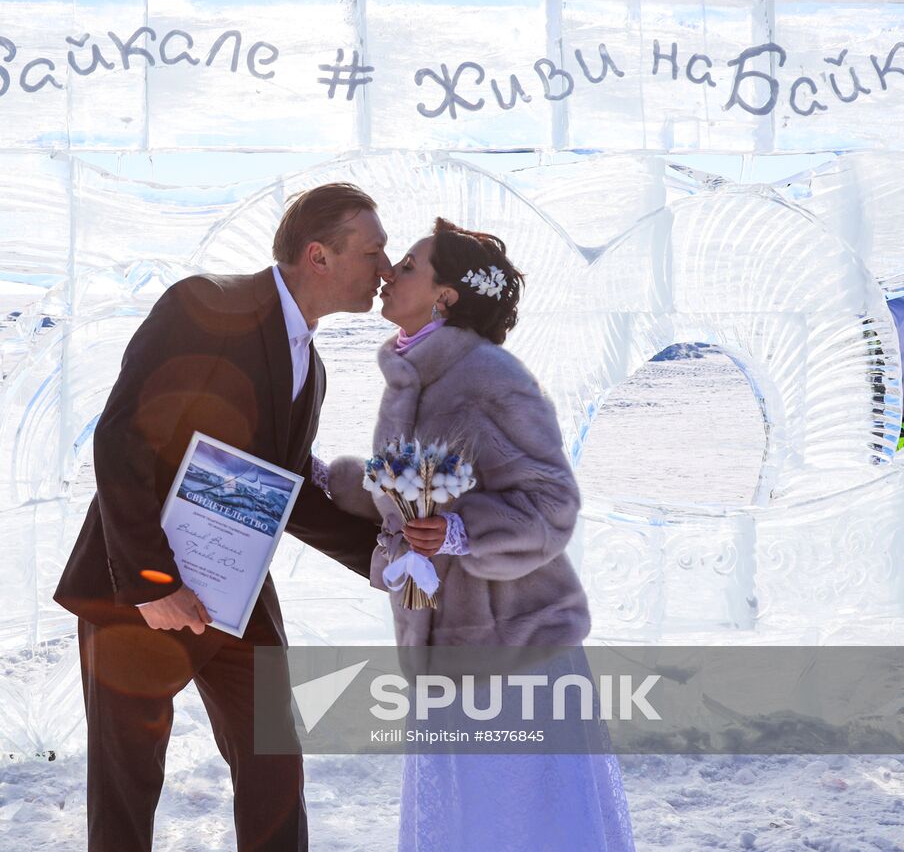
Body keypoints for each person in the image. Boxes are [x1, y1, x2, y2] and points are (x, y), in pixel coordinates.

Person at [55, 183, 392, 852]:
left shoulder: (313, 369)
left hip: (236, 594)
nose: (385, 268)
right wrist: (152, 582)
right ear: (318, 255)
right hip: (139, 590)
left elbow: (284, 491)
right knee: (127, 785)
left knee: (275, 757)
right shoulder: (205, 304)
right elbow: (121, 437)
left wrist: (386, 556)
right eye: (374, 250)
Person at [325, 218, 636, 851]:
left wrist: (464, 534)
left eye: (407, 266)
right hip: (444, 647)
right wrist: (326, 478)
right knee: (466, 821)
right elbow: (407, 491)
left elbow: (553, 503)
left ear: (446, 296)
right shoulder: (412, 378)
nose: (388, 272)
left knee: (520, 821)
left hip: (515, 649)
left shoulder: (493, 376)